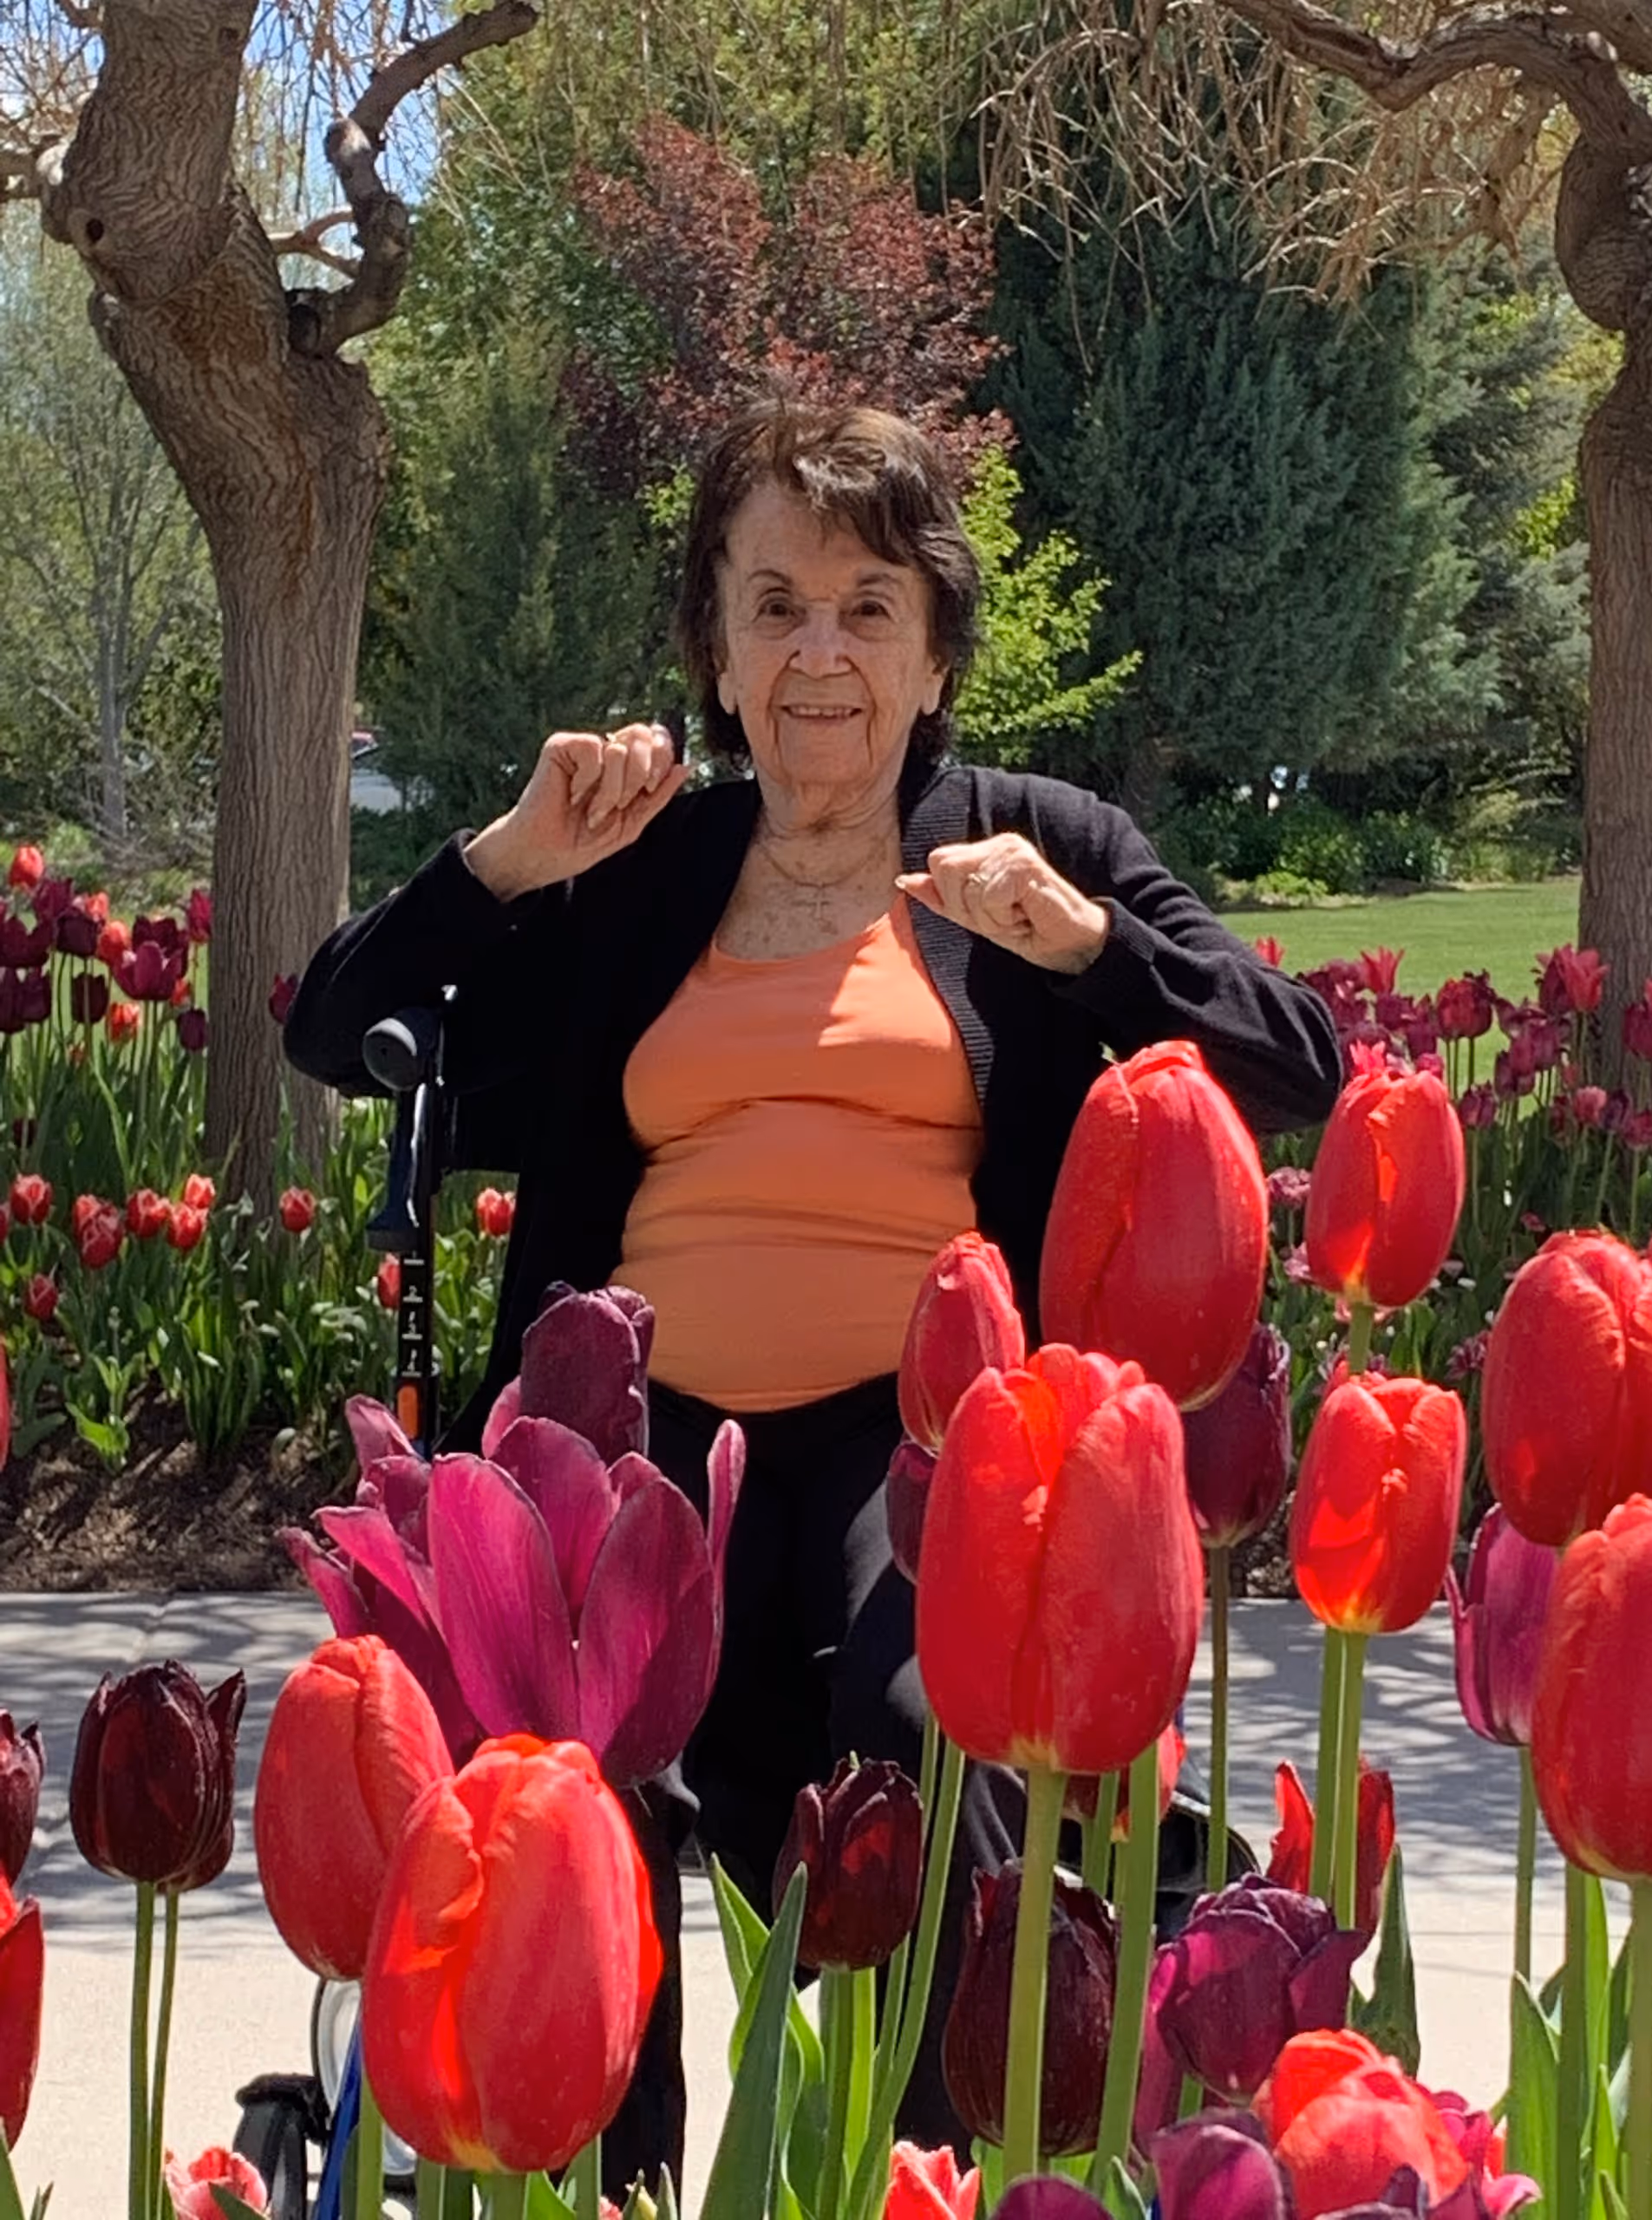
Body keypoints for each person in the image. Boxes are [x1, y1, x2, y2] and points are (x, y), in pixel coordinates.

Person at [284, 400, 1343, 2196]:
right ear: (715, 648)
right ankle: (599, 2178)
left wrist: (1086, 944)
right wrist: (512, 857)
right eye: (772, 604)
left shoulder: (1031, 838)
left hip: (909, 1438)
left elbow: (1297, 1061)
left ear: (937, 647)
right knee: (570, 1769)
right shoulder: (644, 864)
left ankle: (912, 2180)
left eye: (868, 602)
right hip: (633, 1427)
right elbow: (335, 1026)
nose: (821, 649)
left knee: (929, 1734)